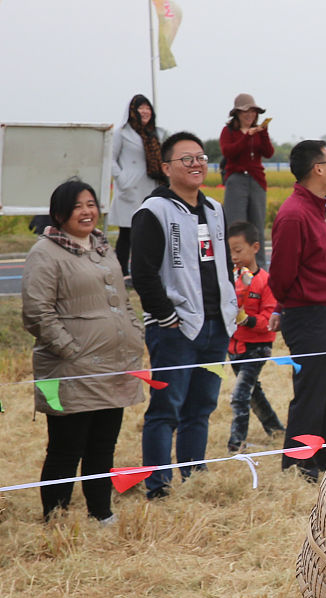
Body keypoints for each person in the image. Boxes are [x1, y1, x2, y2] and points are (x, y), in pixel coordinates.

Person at [22, 179, 145, 522]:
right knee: (66, 448)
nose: (87, 211)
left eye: (91, 204)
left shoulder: (103, 247)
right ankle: (56, 517)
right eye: (78, 206)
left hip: (115, 364)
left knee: (103, 447)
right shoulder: (45, 253)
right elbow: (37, 313)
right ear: (60, 213)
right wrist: (70, 350)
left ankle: (100, 512)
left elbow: (122, 301)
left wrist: (134, 335)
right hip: (71, 369)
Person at [131, 132, 238, 500]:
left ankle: (193, 473)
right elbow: (142, 273)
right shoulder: (153, 210)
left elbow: (223, 266)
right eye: (185, 159)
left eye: (201, 157)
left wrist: (231, 308)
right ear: (166, 168)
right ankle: (157, 485)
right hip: (175, 330)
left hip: (215, 326)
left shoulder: (214, 209)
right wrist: (166, 318)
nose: (196, 164)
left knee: (202, 406)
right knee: (166, 409)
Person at [269, 140, 326, 481]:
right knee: (312, 391)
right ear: (317, 168)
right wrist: (292, 306)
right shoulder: (294, 214)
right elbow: (282, 276)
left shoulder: (314, 209)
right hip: (308, 314)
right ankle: (299, 463)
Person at [225, 221, 285, 452]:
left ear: (255, 247)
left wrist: (247, 320)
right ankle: (276, 429)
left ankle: (235, 444)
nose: (234, 256)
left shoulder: (265, 282)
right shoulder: (230, 279)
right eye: (230, 251)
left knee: (240, 396)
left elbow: (269, 320)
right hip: (235, 346)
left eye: (238, 250)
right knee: (253, 393)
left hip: (256, 348)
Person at [110, 94, 165, 278]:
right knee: (127, 232)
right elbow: (110, 159)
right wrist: (122, 179)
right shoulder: (121, 133)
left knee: (148, 232)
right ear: (132, 111)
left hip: (150, 187)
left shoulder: (157, 134)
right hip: (129, 189)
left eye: (147, 108)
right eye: (140, 108)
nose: (145, 111)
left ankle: (146, 271)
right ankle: (123, 273)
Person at [219, 93, 273, 269]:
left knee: (257, 226)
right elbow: (229, 152)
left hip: (256, 180)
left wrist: (263, 134)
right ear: (237, 114)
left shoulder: (258, 132)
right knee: (236, 225)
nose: (250, 116)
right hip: (236, 180)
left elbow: (268, 152)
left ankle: (259, 268)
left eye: (253, 112)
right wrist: (246, 137)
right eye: (245, 112)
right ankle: (235, 267)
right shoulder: (229, 132)